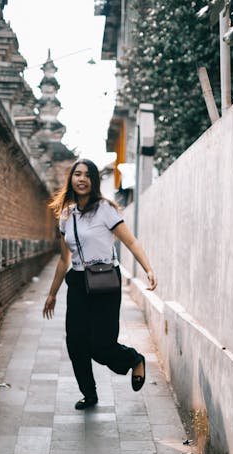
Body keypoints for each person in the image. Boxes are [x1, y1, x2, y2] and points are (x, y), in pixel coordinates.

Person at [42, 158, 157, 410]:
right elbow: (64, 260)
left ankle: (133, 359)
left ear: (93, 181)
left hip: (105, 281)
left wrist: (148, 268)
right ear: (71, 179)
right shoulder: (66, 215)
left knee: (101, 345)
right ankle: (89, 394)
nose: (82, 179)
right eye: (77, 174)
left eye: (87, 175)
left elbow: (131, 242)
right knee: (76, 342)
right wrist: (52, 293)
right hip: (78, 283)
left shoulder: (105, 209)